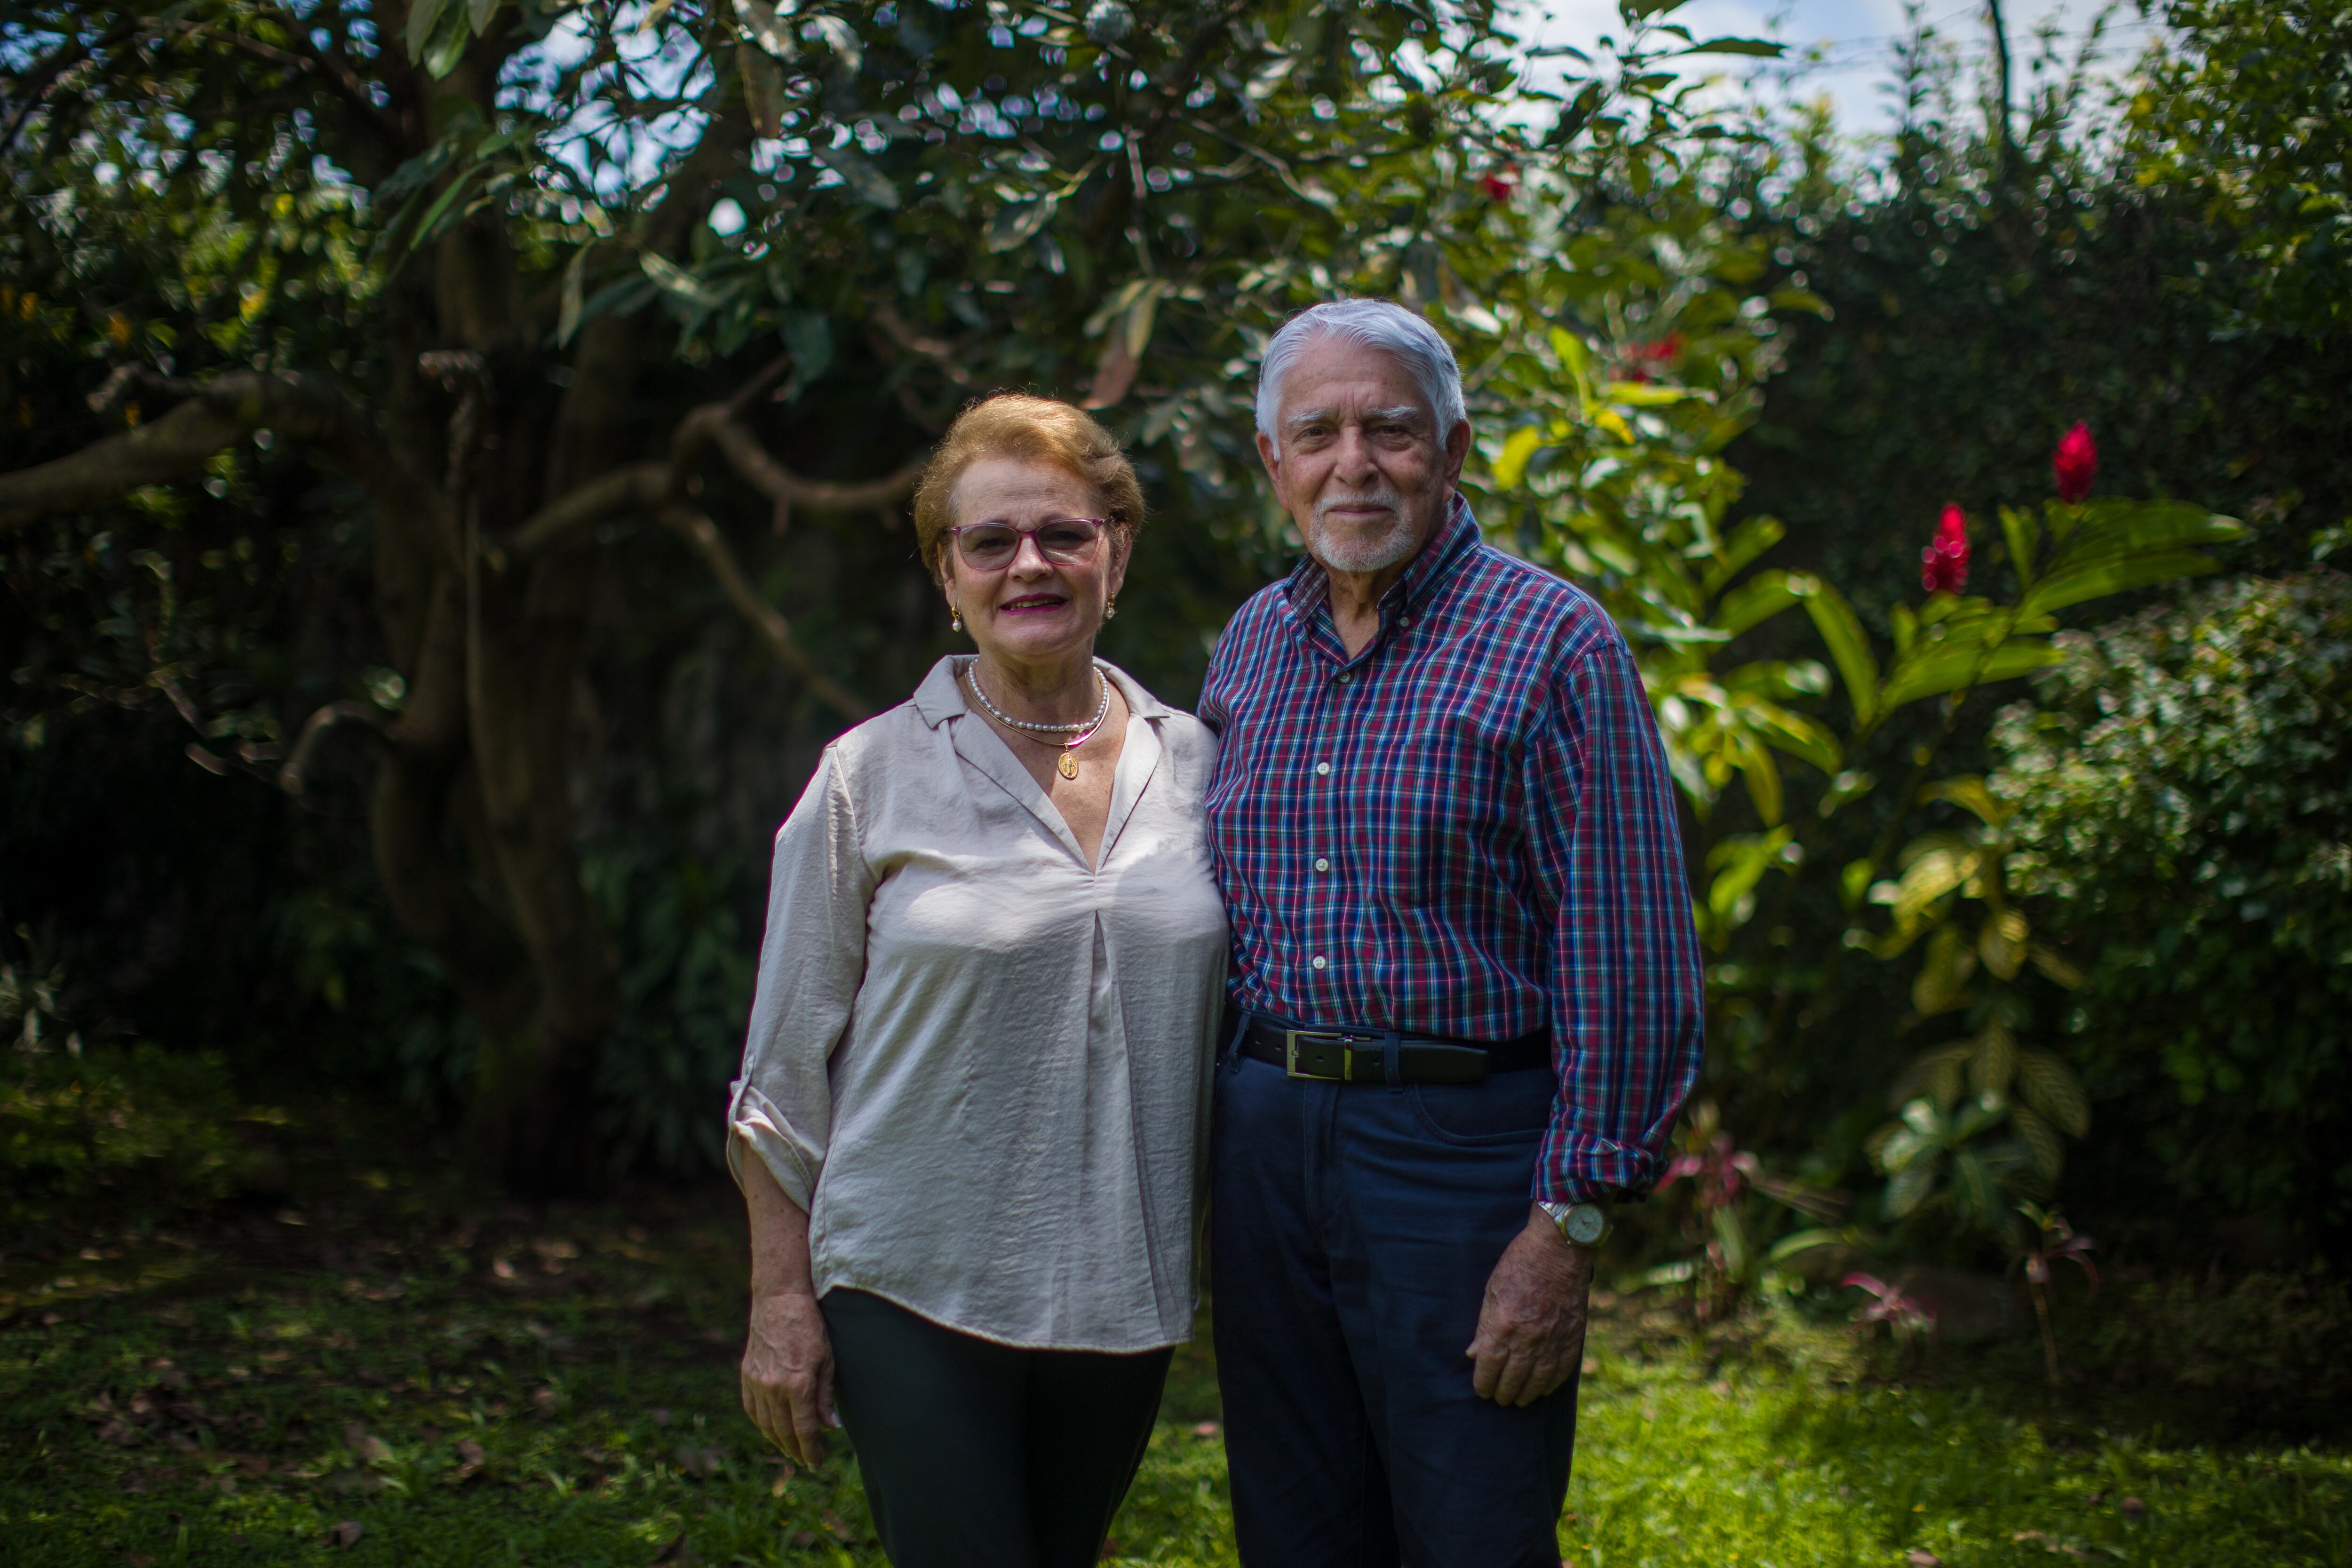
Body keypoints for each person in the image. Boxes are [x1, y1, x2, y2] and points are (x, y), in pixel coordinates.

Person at [1199, 299, 1705, 1568]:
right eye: (1316, 430)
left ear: (1457, 448)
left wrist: (1566, 1223)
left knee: (1474, 1525)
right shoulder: (1250, 649)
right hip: (1266, 1144)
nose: (1353, 461)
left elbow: (1630, 961)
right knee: (1296, 1526)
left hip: (1463, 1157)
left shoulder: (1555, 643)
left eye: (1392, 428)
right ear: (1273, 461)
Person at [727, 394, 1230, 1568]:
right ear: (945, 575)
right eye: (989, 540)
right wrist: (779, 1300)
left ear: (1118, 549)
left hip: (1125, 1283)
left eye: (1064, 531)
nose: (1029, 564)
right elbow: (781, 1067)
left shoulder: (1202, 761)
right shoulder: (869, 775)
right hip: (911, 1278)